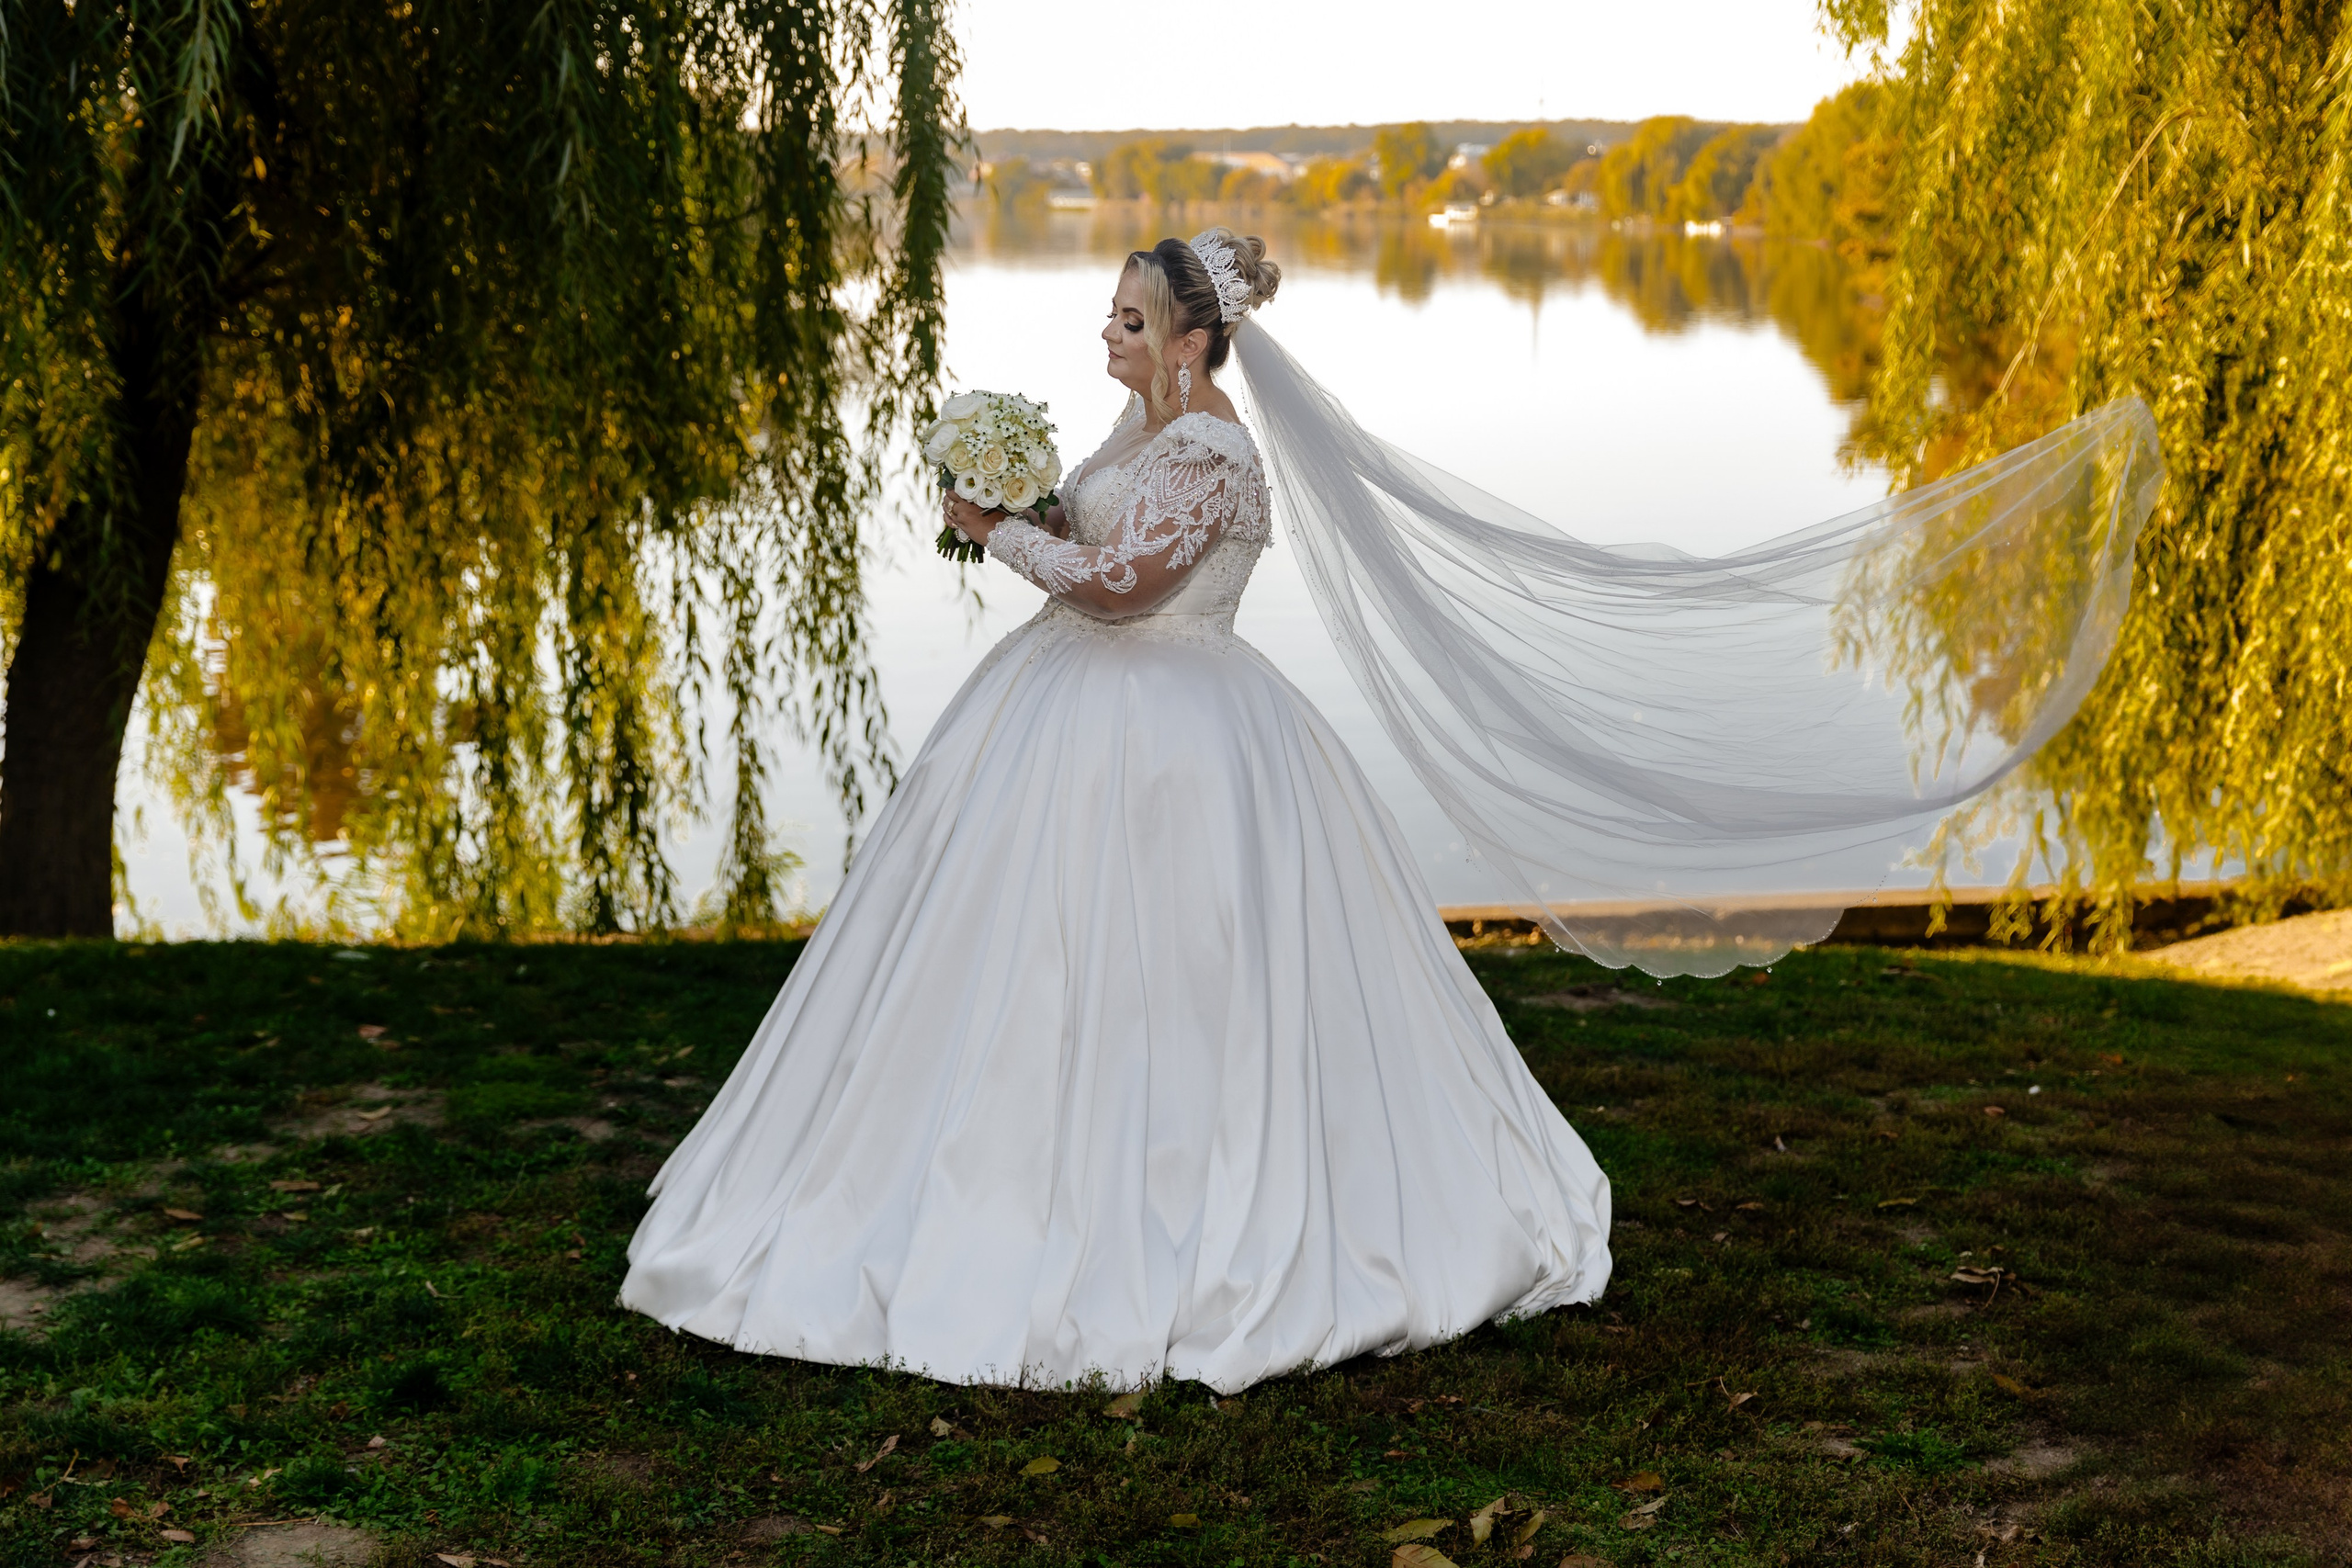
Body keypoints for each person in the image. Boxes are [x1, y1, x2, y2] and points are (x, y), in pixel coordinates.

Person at [619, 228, 1614, 1393]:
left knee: (1168, 972)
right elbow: (1097, 541)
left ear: (1194, 342)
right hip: (1062, 706)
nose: (1108, 330)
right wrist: (1027, 496)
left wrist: (1001, 533)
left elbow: (1124, 587)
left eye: (1132, 321)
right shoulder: (1141, 427)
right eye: (1111, 313)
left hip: (1176, 732)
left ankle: (1163, 1222)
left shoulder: (1206, 450)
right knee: (1010, 958)